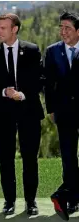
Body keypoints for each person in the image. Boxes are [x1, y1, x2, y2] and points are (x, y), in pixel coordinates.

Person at [0, 13, 44, 216]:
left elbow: (40, 79)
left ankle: (31, 201)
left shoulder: (32, 50)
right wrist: (3, 92)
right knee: (5, 160)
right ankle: (9, 201)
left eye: (3, 28)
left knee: (30, 159)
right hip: (2, 114)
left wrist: (22, 94)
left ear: (14, 29)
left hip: (29, 112)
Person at [44, 11, 79, 221]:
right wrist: (51, 109)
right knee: (68, 157)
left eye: (67, 28)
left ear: (78, 31)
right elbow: (48, 84)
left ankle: (64, 195)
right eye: (61, 27)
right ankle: (71, 200)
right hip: (64, 113)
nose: (63, 31)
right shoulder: (52, 51)